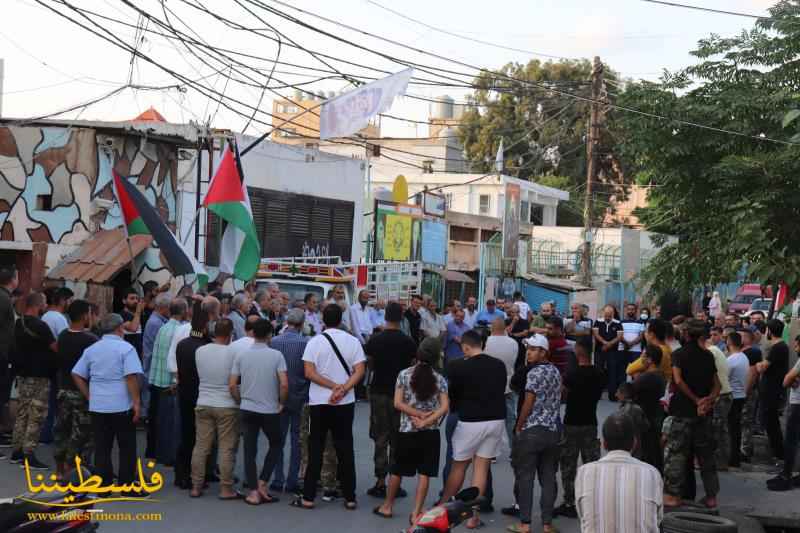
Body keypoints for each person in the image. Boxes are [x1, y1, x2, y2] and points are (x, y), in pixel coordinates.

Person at [294, 304, 366, 510]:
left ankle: (308, 496)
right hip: (344, 402)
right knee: (344, 447)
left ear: (323, 320)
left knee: (315, 446)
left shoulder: (314, 342)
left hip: (319, 401)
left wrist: (332, 387)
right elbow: (359, 370)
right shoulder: (352, 341)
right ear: (341, 319)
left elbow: (309, 372)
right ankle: (350, 496)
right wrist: (343, 388)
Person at [373, 337, 449, 524]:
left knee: (397, 470)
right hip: (430, 432)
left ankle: (387, 506)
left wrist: (415, 414)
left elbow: (398, 403)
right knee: (424, 473)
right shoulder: (439, 378)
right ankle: (416, 513)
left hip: (406, 429)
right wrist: (427, 419)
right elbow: (444, 406)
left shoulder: (404, 374)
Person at [440, 330, 506, 529]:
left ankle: (443, 508)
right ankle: (473, 516)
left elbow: (453, 395)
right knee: (481, 468)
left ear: (466, 347)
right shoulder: (499, 365)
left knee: (458, 466)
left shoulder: (457, 366)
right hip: (495, 420)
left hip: (470, 421)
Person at [71, 314, 144, 492]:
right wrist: (136, 402)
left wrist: (89, 396)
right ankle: (126, 484)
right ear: (120, 328)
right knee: (126, 446)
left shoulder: (92, 349)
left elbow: (76, 374)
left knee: (102, 446)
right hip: (121, 405)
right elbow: (130, 376)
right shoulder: (126, 349)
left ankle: (104, 484)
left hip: (98, 405)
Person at [663, 319, 720, 509]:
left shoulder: (679, 355)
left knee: (676, 455)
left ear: (686, 334)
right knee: (706, 458)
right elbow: (717, 385)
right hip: (703, 414)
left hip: (682, 411)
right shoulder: (708, 356)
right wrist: (707, 401)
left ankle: (673, 495)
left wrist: (696, 400)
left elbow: (678, 381)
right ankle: (711, 497)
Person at [230, 318, 288, 505]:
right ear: (270, 335)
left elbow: (232, 385)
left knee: (249, 449)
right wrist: (281, 402)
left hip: (247, 407)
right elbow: (284, 383)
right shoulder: (276, 355)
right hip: (269, 408)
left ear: (252, 333)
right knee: (276, 443)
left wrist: (240, 401)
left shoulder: (242, 355)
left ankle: (253, 490)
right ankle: (264, 481)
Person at [507, 333, 561, 533]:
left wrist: (520, 425)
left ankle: (525, 523)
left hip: (532, 430)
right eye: (528, 349)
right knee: (548, 477)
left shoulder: (533, 374)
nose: (528, 353)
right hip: (553, 430)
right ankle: (547, 524)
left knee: (526, 477)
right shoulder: (555, 371)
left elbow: (528, 402)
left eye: (533, 349)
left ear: (543, 352)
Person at [575, 412, 663, 533]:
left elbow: (583, 517)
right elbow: (657, 519)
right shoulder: (652, 473)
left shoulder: (584, 472)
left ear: (604, 444)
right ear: (634, 443)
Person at [364, 302, 416, 498]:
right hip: (400, 394)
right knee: (397, 437)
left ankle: (379, 481)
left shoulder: (375, 340)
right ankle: (396, 481)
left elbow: (370, 364)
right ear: (401, 317)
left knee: (380, 436)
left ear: (385, 317)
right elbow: (412, 366)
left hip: (378, 391)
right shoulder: (408, 342)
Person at [554, 336, 604, 520]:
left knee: (568, 464)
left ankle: (570, 502)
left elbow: (562, 395)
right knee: (591, 462)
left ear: (578, 351)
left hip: (572, 421)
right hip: (590, 421)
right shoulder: (599, 373)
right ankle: (592, 500)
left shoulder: (571, 375)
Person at [190, 318, 240, 499]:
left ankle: (196, 486)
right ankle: (226, 488)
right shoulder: (234, 353)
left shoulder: (200, 350)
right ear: (230, 334)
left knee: (201, 446)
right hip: (226, 404)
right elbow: (234, 382)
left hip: (203, 401)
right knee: (226, 448)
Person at [9, 292, 57, 469]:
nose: (45, 306)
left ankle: (16, 452)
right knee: (36, 415)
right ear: (38, 305)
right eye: (44, 302)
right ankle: (29, 456)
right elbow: (55, 347)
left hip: (22, 375)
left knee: (22, 413)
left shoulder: (18, 323)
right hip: (39, 376)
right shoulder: (41, 325)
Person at [53, 300, 97, 478]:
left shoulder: (63, 335)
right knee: (81, 433)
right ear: (85, 315)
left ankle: (60, 469)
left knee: (62, 430)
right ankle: (74, 470)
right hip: (81, 392)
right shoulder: (90, 339)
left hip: (63, 390)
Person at [268, 309, 309, 495]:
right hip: (300, 395)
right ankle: (292, 480)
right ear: (301, 324)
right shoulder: (305, 343)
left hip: (277, 396)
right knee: (297, 440)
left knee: (277, 439)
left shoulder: (274, 342)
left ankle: (277, 479)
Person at [174, 304, 212, 489]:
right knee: (200, 439)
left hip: (184, 394)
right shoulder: (206, 347)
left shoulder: (182, 345)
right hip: (202, 395)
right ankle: (196, 475)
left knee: (186, 435)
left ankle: (180, 473)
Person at [147, 298, 187, 466]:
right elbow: (174, 359)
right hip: (168, 382)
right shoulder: (178, 330)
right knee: (170, 424)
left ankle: (157, 454)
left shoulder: (164, 327)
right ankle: (168, 457)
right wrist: (175, 380)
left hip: (157, 378)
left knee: (160, 421)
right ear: (184, 311)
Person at [768, 335, 800, 490]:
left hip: (797, 404)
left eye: (797, 345)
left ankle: (786, 474)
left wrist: (791, 379)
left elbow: (786, 380)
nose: (795, 348)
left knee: (791, 440)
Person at [756, 319, 789, 464]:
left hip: (772, 391)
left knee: (772, 424)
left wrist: (758, 364)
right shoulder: (778, 347)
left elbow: (762, 367)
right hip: (770, 390)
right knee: (770, 423)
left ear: (769, 331)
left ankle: (779, 455)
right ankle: (778, 454)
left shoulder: (778, 348)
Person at [484, 317, 519, 444]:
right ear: (504, 328)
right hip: (508, 385)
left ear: (492, 328)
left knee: (490, 419)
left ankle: (490, 451)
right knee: (510, 418)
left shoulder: (486, 342)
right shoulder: (513, 343)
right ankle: (513, 449)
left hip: (490, 386)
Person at [633, 344, 666, 472]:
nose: (641, 359)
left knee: (646, 450)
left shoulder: (646, 377)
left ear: (650, 359)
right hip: (656, 416)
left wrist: (637, 378)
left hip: (646, 417)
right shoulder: (660, 374)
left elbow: (631, 391)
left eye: (643, 356)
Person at [707, 333, 733, 469]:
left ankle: (719, 462)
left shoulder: (711, 352)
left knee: (717, 430)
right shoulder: (716, 350)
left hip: (720, 396)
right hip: (724, 394)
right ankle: (722, 462)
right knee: (721, 430)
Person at [725, 331, 749, 468]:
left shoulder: (731, 360)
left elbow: (724, 378)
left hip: (733, 397)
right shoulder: (743, 357)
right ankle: (735, 457)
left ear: (729, 342)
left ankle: (732, 458)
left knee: (731, 429)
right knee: (735, 429)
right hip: (740, 396)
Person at [593, 305, 624, 400]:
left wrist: (609, 344)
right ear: (603, 313)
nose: (607, 317)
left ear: (613, 314)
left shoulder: (618, 323)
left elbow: (619, 336)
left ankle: (612, 395)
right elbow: (595, 334)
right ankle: (597, 394)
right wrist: (604, 343)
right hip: (599, 350)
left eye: (610, 315)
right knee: (598, 371)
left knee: (612, 372)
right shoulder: (598, 322)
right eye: (606, 314)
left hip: (613, 352)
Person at [627, 318, 673, 383]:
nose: (644, 334)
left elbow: (629, 370)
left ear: (651, 334)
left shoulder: (653, 351)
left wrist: (639, 374)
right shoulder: (668, 348)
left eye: (645, 331)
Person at [616, 383, 648, 460]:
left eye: (618, 392)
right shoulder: (638, 408)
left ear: (624, 394)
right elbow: (646, 426)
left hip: (626, 451)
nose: (616, 395)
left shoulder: (623, 411)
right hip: (637, 450)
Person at [620, 302, 645, 376]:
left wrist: (630, 344)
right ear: (626, 311)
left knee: (636, 372)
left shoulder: (640, 322)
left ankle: (636, 387)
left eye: (632, 309)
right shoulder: (621, 322)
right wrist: (626, 343)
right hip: (623, 349)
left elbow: (641, 336)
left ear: (636, 311)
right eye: (629, 309)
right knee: (622, 372)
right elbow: (619, 336)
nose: (630, 311)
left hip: (636, 351)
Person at [119, 287, 144, 359]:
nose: (136, 301)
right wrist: (138, 311)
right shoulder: (121, 316)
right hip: (127, 355)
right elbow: (133, 328)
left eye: (137, 298)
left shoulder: (137, 315)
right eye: (132, 298)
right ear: (124, 301)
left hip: (138, 355)